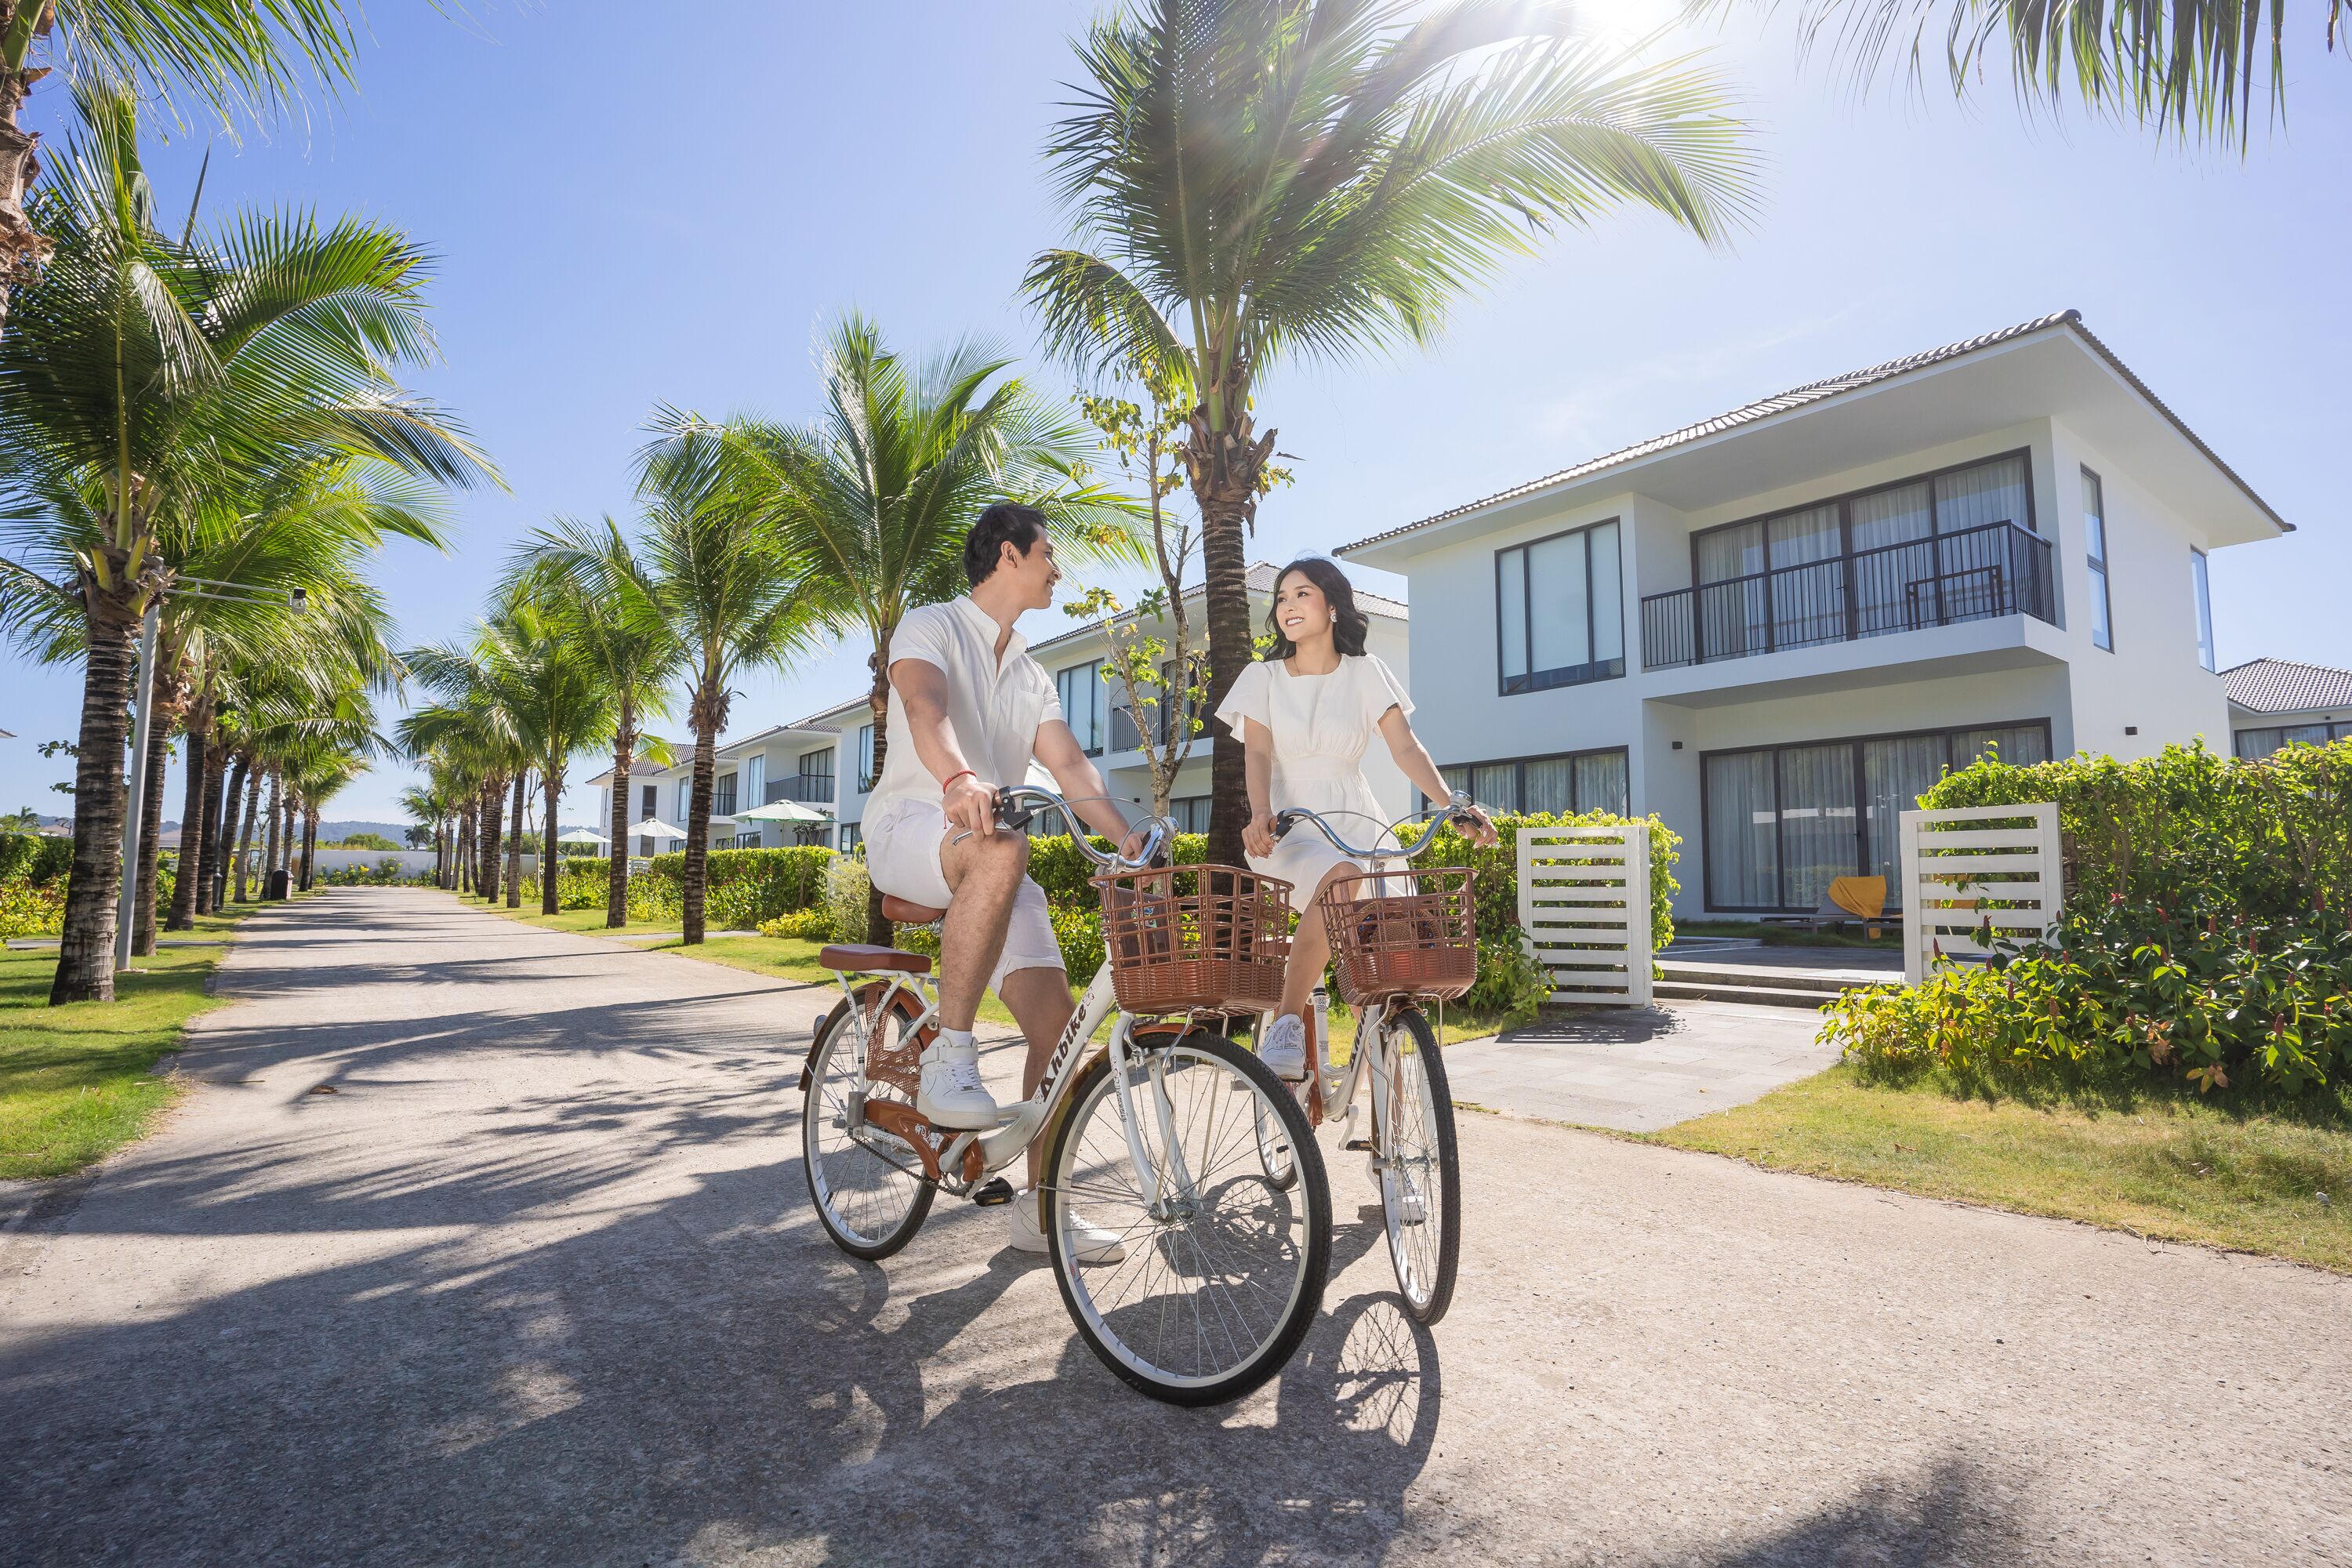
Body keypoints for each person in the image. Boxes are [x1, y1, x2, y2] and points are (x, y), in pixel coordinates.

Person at [863, 502, 1143, 1262]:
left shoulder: (1030, 672)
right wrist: (958, 776)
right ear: (1011, 554)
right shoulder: (929, 625)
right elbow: (925, 705)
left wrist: (1132, 837)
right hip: (915, 826)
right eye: (1049, 552)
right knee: (1001, 846)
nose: (1057, 567)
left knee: (1060, 1035)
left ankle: (1043, 1214)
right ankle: (952, 1058)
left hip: (994, 850)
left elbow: (1072, 768)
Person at [1218, 557, 1497, 1080]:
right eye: (1281, 598)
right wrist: (1259, 812)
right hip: (1292, 829)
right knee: (1342, 876)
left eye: (1301, 594)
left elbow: (1406, 749)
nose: (1288, 606)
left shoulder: (1366, 672)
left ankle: (1383, 1141)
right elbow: (1255, 755)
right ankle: (1284, 1025)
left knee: (1384, 967)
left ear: (1331, 604)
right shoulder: (1263, 677)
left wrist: (1452, 806)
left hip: (1358, 820)